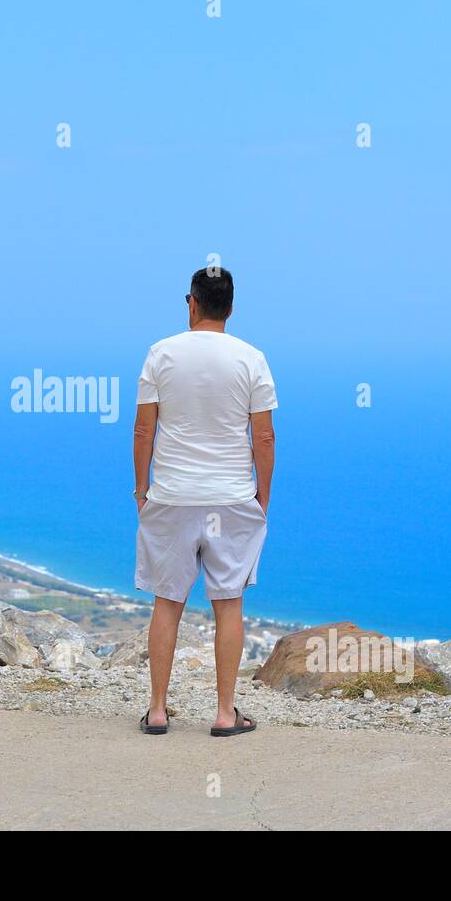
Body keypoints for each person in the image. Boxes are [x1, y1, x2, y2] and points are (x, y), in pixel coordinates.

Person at [132, 267, 276, 737]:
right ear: (231, 307)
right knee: (228, 603)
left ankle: (157, 710)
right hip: (231, 498)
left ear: (191, 303)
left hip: (172, 496)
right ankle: (224, 712)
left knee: (167, 602)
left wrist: (141, 490)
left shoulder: (161, 353)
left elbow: (143, 430)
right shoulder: (251, 359)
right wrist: (262, 498)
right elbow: (264, 437)